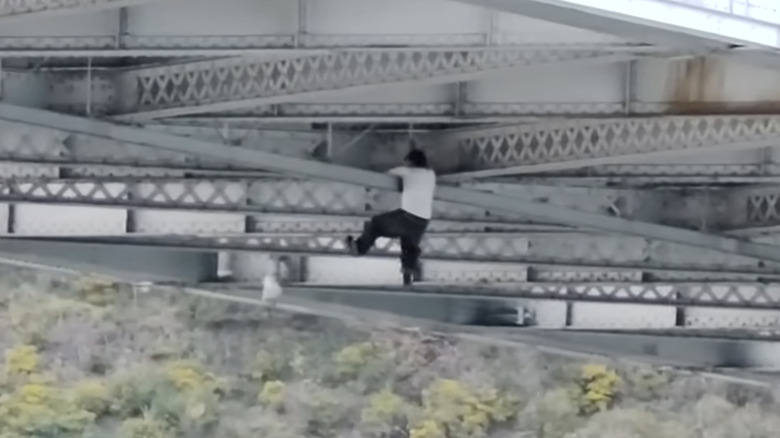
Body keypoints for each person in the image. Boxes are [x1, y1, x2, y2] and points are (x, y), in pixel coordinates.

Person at [346, 149, 436, 286]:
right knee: (409, 245)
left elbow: (384, 177)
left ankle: (359, 248)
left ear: (410, 162)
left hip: (408, 217)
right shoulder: (431, 174)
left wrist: (369, 190)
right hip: (423, 221)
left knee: (376, 223)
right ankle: (408, 275)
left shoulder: (405, 171)